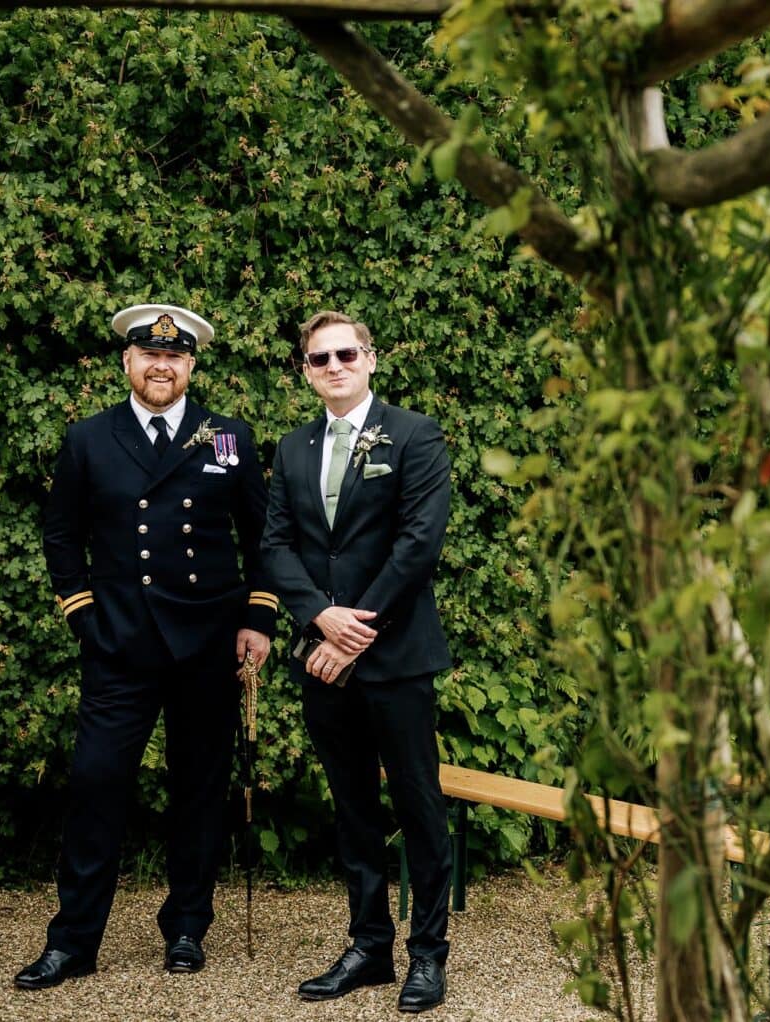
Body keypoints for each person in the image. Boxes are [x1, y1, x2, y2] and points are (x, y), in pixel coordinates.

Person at [15, 304, 277, 990]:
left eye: (177, 357)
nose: (163, 366)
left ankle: (188, 926)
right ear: (127, 363)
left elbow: (265, 537)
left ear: (191, 366)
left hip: (208, 645)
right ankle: (74, 941)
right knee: (97, 784)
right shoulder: (88, 439)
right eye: (149, 355)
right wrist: (84, 617)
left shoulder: (228, 438)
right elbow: (60, 536)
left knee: (198, 791)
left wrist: (261, 617)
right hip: (121, 645)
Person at [261, 310, 452, 1013]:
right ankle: (370, 945)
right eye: (319, 359)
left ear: (371, 360)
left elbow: (418, 544)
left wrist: (353, 631)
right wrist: (318, 618)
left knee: (419, 806)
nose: (334, 366)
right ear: (306, 372)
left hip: (395, 658)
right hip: (323, 656)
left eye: (346, 354)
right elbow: (275, 546)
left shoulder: (414, 435)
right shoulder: (292, 448)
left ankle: (427, 955)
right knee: (352, 810)